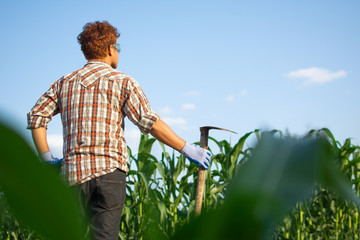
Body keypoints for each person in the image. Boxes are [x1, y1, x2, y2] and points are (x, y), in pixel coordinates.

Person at [27, 20, 211, 240]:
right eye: (118, 48)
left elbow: (37, 116)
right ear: (109, 49)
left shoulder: (64, 83)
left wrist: (46, 158)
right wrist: (188, 149)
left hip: (73, 177)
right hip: (110, 176)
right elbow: (149, 121)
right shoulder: (124, 82)